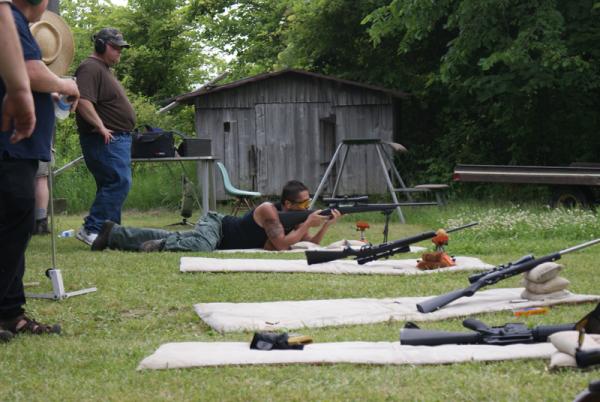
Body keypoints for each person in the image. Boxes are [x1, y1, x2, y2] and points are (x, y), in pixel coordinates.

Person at [0, 0, 80, 341]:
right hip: (10, 144)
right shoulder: (11, 18)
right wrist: (65, 84)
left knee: (15, 231)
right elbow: (31, 73)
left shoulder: (13, 19)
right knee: (11, 227)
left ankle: (10, 314)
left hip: (17, 147)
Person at [90, 180, 342, 252]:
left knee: (181, 238)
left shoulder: (295, 218)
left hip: (220, 241)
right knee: (199, 245)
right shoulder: (269, 210)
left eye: (309, 202)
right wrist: (308, 221)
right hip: (218, 226)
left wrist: (324, 226)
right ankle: (159, 245)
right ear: (288, 203)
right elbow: (281, 245)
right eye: (304, 203)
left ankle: (113, 233)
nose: (308, 206)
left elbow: (309, 244)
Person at [74, 27, 136, 246]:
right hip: (104, 139)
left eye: (121, 48)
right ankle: (92, 228)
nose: (119, 51)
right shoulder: (90, 68)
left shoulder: (103, 69)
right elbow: (82, 101)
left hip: (116, 139)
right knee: (119, 181)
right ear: (100, 45)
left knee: (111, 184)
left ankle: (110, 233)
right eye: (115, 47)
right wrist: (100, 126)